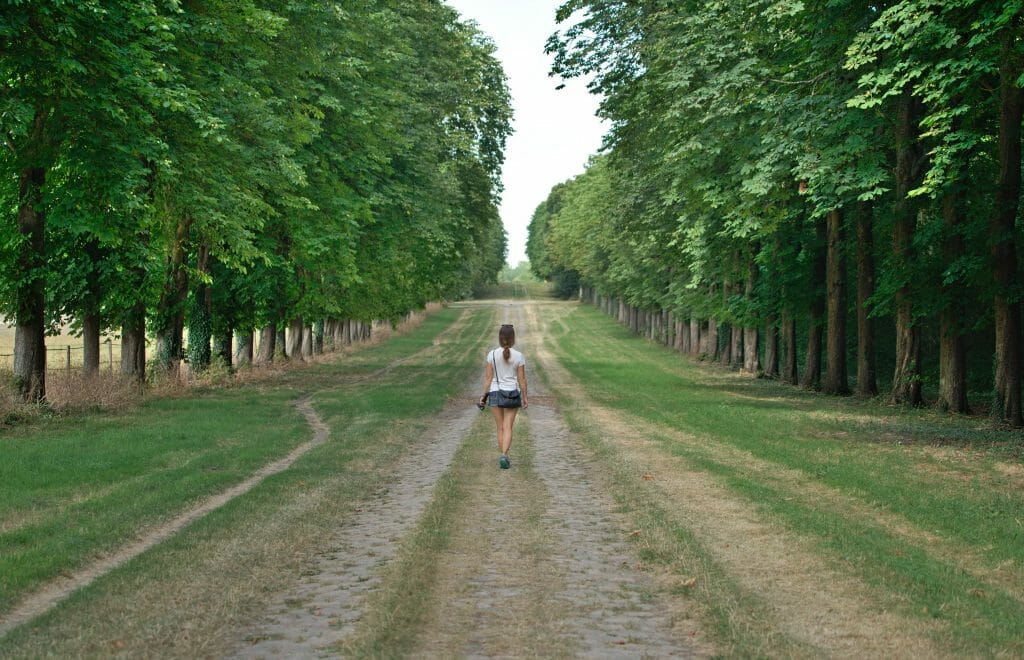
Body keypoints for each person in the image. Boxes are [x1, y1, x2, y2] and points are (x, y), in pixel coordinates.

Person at [479, 324, 528, 469]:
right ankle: (504, 455)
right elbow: (522, 380)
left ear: (500, 338)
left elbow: (488, 378)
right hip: (512, 394)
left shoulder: (492, 354)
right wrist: (525, 396)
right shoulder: (519, 356)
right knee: (508, 427)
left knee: (499, 427)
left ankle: (503, 455)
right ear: (513, 338)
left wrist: (483, 396)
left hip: (495, 392)